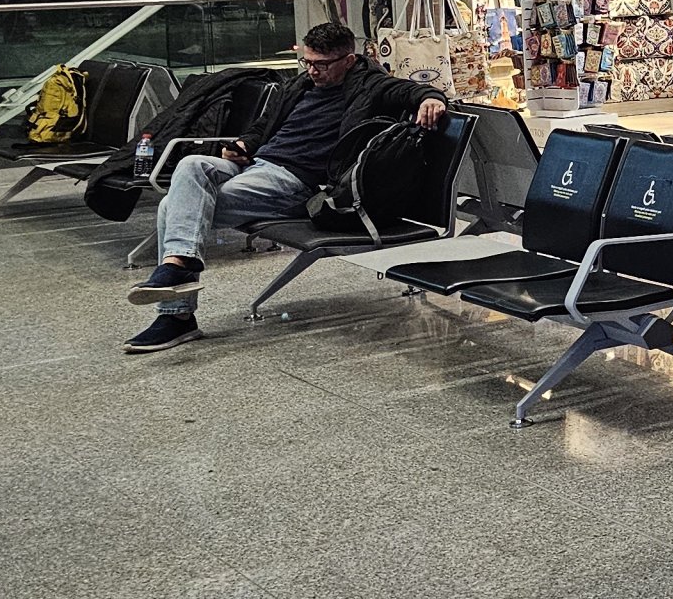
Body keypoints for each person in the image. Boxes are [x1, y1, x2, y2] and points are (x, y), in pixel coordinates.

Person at [122, 22, 448, 353]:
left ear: (349, 60)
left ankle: (176, 312)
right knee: (192, 165)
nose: (313, 71)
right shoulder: (300, 85)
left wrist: (431, 98)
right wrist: (243, 145)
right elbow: (266, 126)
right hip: (254, 166)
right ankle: (178, 271)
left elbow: (408, 90)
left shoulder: (370, 85)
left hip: (294, 182)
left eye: (322, 64)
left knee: (171, 207)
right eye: (308, 62)